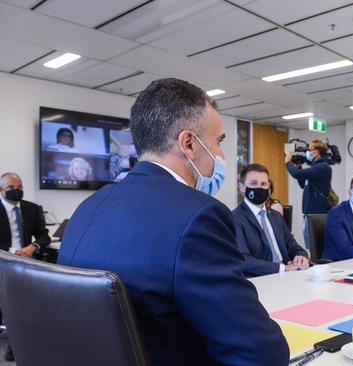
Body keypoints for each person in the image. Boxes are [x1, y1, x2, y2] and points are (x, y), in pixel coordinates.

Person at [57, 78, 288, 365]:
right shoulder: (199, 215)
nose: (220, 155)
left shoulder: (89, 207)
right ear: (189, 143)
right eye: (218, 142)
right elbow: (260, 352)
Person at [0, 172, 52, 361]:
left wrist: (33, 247)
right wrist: (15, 252)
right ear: (1, 191)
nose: (17, 191)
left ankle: (24, 340)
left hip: (26, 261)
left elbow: (44, 236)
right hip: (3, 261)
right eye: (11, 188)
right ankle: (14, 345)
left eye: (20, 186)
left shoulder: (32, 208)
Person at [232, 164, 309, 277]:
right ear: (242, 187)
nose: (259, 188)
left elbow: (294, 247)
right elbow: (244, 260)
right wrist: (283, 268)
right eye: (253, 183)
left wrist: (301, 257)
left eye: (263, 184)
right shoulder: (235, 218)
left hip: (289, 276)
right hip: (261, 279)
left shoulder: (276, 216)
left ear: (269, 186)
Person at [285, 139, 333, 247]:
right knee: (311, 245)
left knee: (316, 245)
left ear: (316, 152)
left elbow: (296, 174)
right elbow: (304, 184)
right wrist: (298, 166)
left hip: (318, 214)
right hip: (310, 213)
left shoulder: (323, 167)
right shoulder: (315, 167)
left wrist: (288, 162)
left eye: (309, 150)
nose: (307, 152)